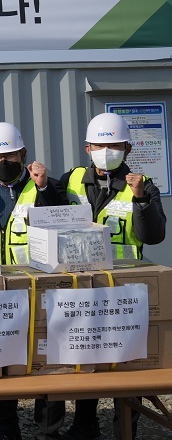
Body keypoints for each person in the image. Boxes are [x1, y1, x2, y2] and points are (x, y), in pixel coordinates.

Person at [57, 112, 167, 440]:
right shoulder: (71, 179)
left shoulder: (142, 184)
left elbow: (154, 235)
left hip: (125, 286)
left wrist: (141, 199)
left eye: (114, 145)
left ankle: (125, 428)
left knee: (126, 358)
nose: (107, 150)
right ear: (88, 148)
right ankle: (84, 426)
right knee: (86, 355)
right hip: (81, 283)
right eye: (100, 145)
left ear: (128, 148)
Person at [0, 122, 66, 440]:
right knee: (1, 360)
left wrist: (43, 189)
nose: (2, 162)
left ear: (23, 154)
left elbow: (63, 223)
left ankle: (48, 430)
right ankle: (5, 430)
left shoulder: (45, 187)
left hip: (42, 291)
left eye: (10, 154)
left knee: (47, 359)